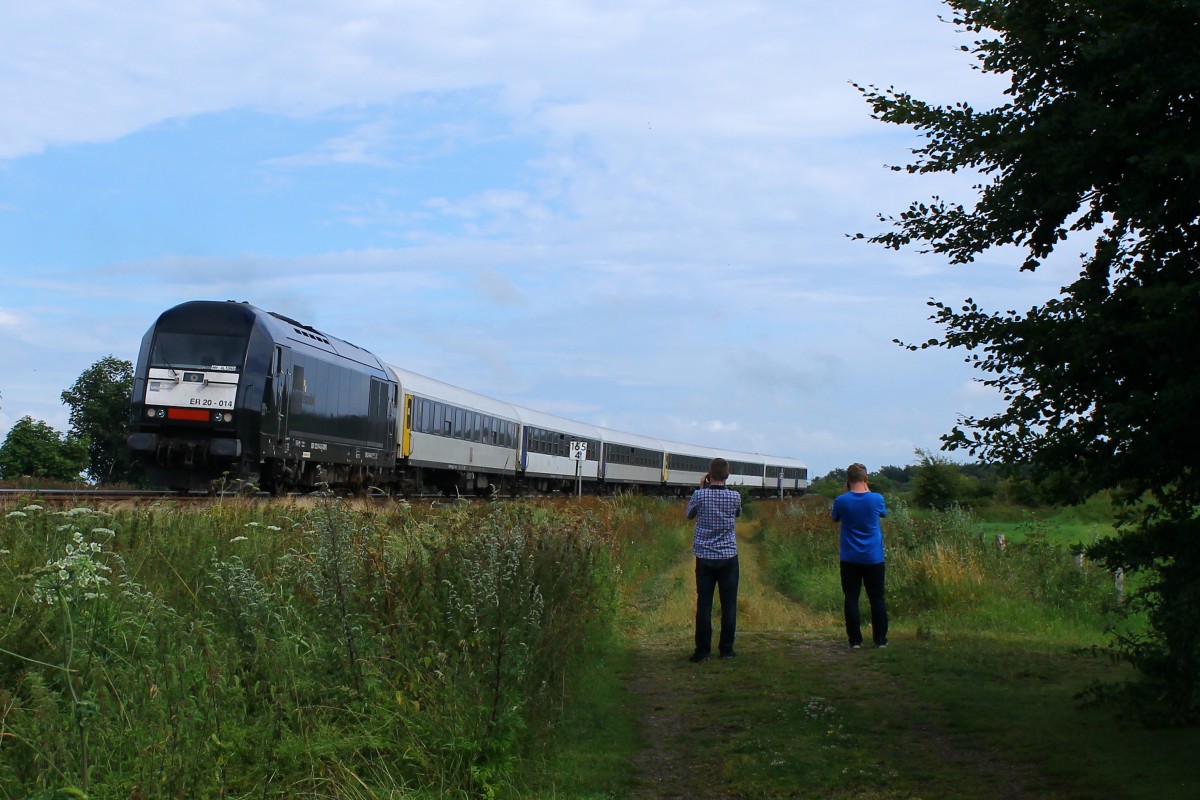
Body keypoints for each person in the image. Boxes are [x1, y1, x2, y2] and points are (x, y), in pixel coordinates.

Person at [685, 457, 742, 662]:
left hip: (705, 557)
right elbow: (737, 514)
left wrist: (702, 487)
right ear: (727, 475)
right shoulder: (735, 497)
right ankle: (726, 649)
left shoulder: (699, 495)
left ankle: (702, 651)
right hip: (728, 557)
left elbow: (689, 515)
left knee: (704, 604)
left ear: (709, 475)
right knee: (728, 605)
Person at [830, 462, 888, 649]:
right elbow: (883, 514)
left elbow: (834, 518)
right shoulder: (877, 499)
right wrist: (867, 487)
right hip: (874, 557)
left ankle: (855, 640)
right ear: (865, 478)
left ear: (847, 480)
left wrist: (847, 491)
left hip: (849, 557)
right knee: (877, 599)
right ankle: (880, 640)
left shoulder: (841, 500)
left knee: (851, 598)